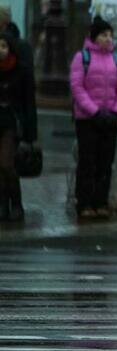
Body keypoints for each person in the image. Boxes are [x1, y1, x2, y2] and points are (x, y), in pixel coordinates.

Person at [69, 16, 117, 220]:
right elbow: (77, 88)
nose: (108, 38)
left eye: (110, 35)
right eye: (104, 35)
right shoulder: (82, 57)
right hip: (87, 120)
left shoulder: (116, 59)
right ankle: (84, 203)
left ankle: (101, 202)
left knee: (105, 162)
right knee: (88, 162)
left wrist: (116, 112)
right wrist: (94, 111)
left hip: (110, 119)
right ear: (94, 37)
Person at [0, 33, 36, 222]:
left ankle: (16, 203)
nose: (1, 50)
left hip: (12, 123)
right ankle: (3, 204)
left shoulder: (20, 70)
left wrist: (31, 133)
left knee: (6, 164)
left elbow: (29, 103)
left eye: (4, 46)